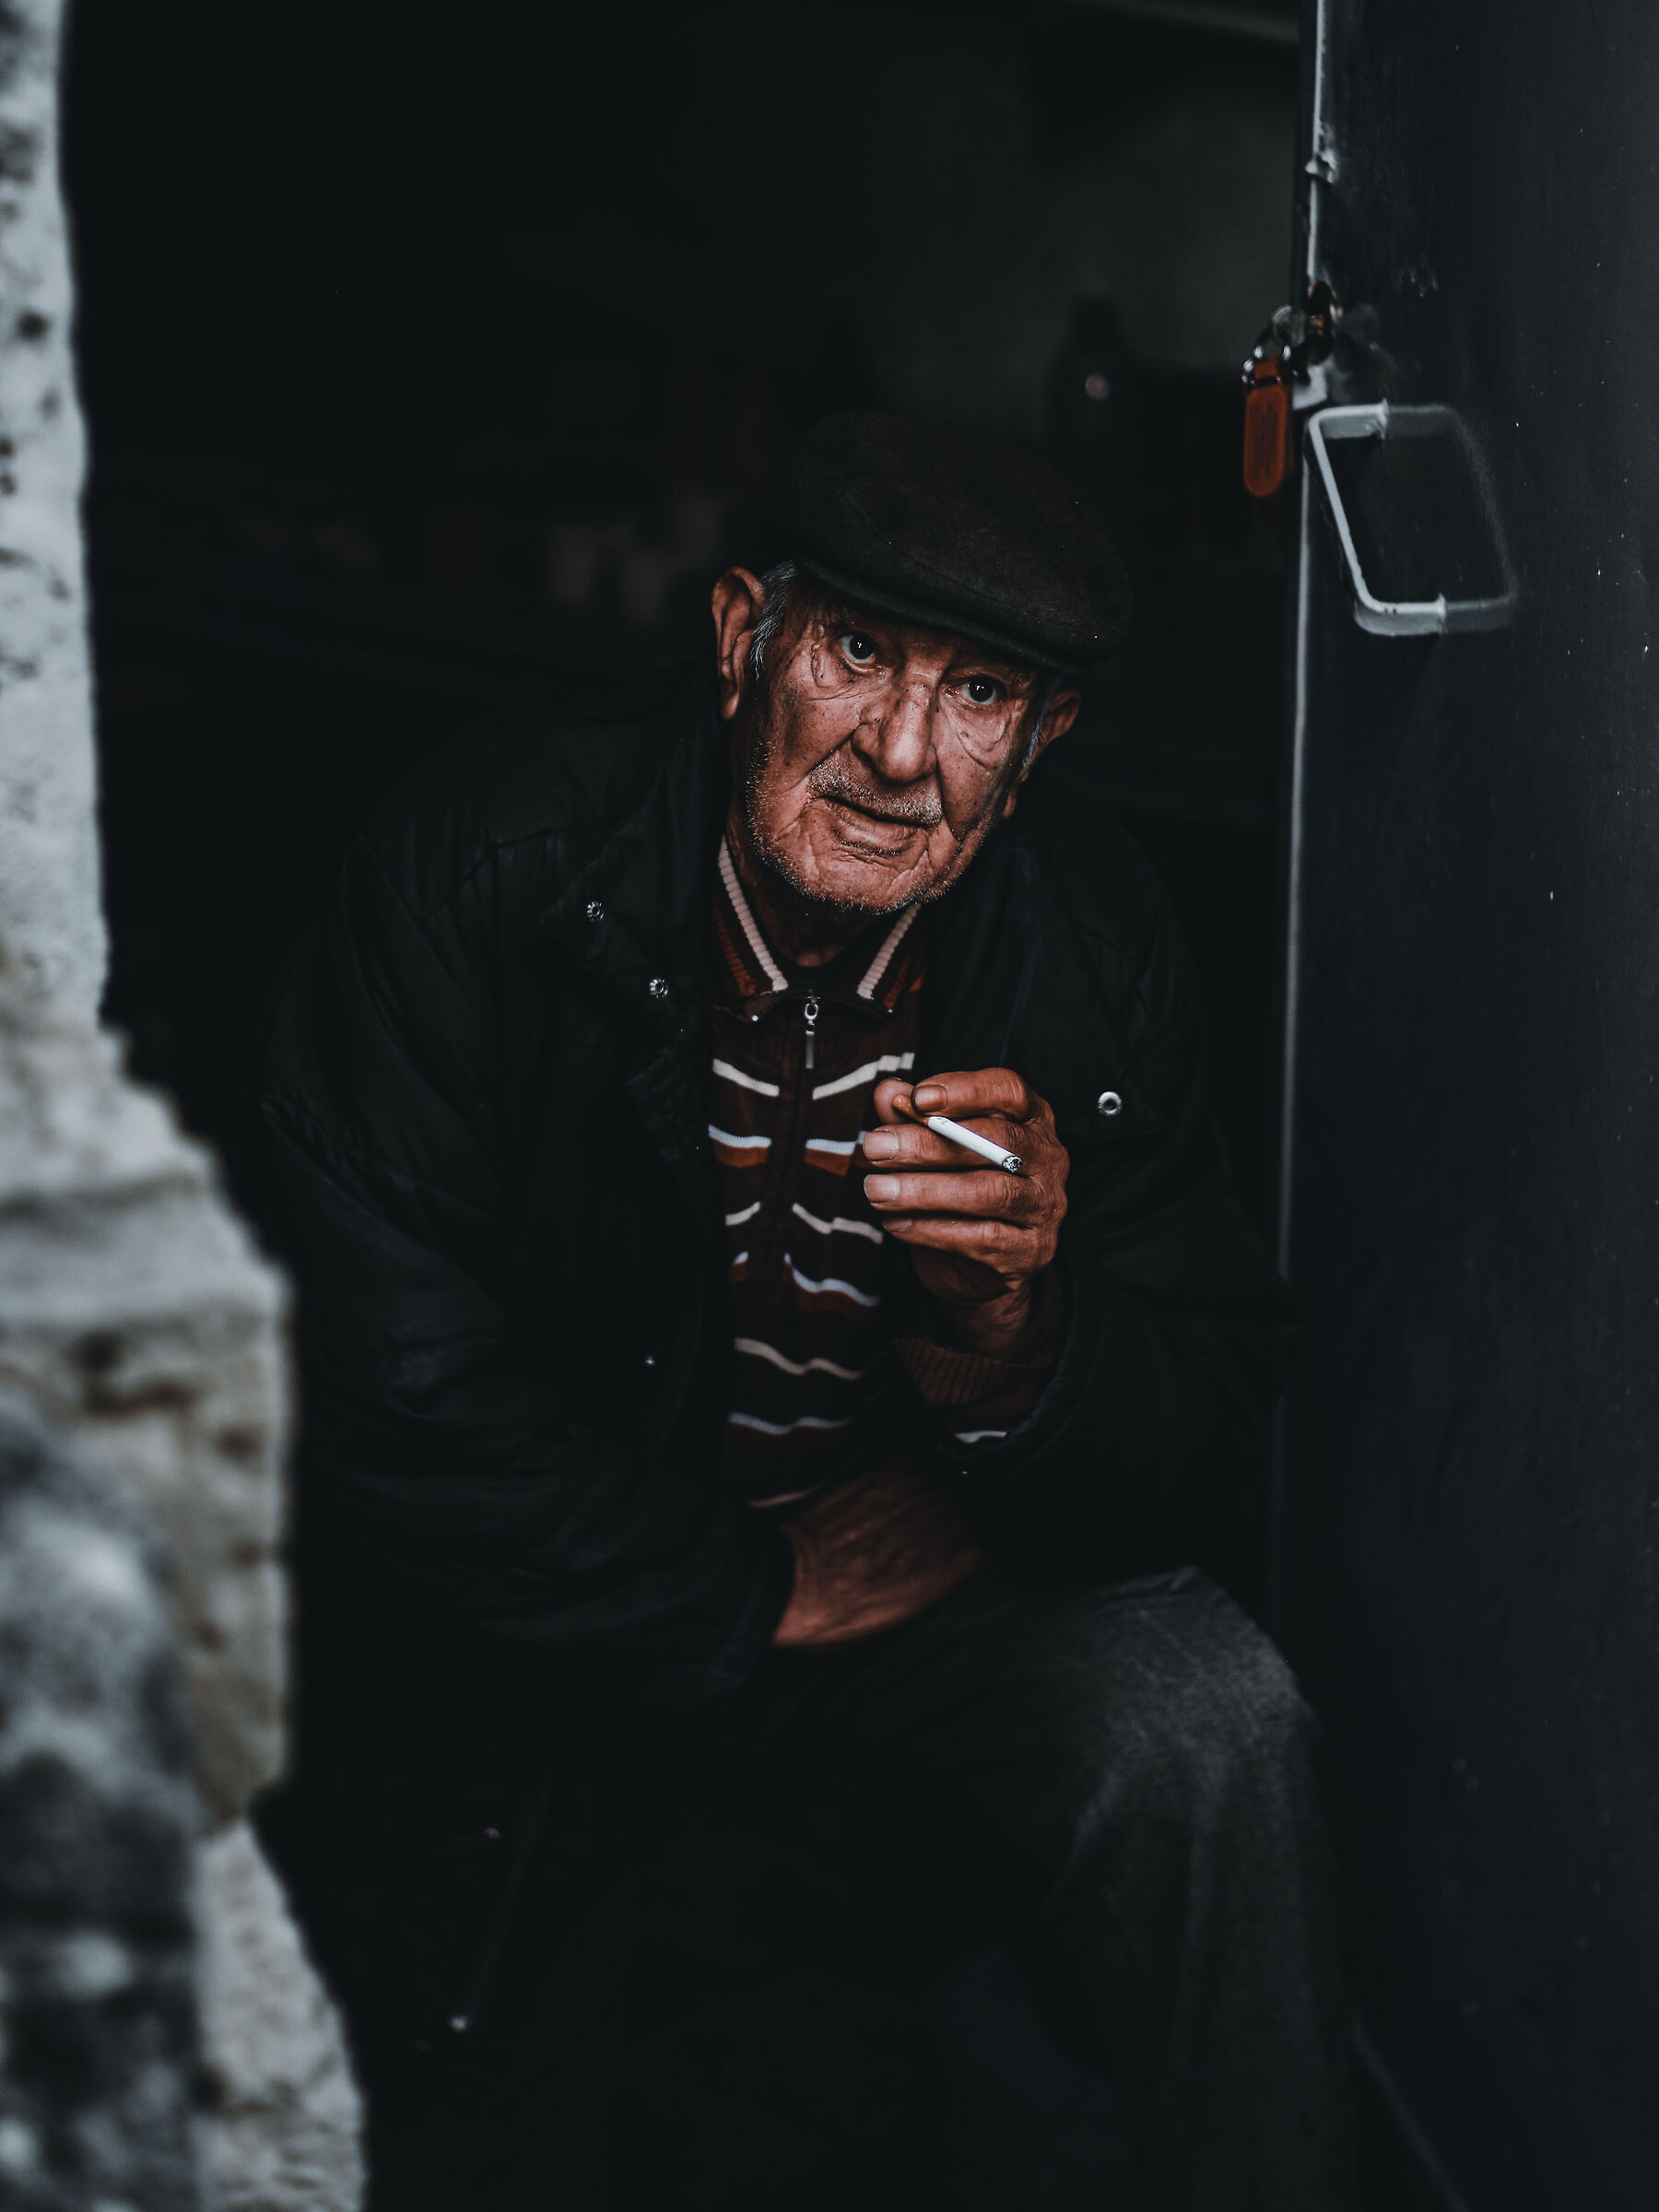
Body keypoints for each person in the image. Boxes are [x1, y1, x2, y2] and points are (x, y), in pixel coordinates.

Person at [256, 411, 1355, 2208]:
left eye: (984, 696)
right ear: (740, 635)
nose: (902, 754)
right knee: (497, 2107)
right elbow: (373, 1376)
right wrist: (754, 1585)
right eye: (857, 653)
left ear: (1045, 741)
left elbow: (1210, 1411)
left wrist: (1022, 1331)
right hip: (573, 1593)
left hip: (917, 1594)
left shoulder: (1093, 941)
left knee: (1209, 1725)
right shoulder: (492, 861)